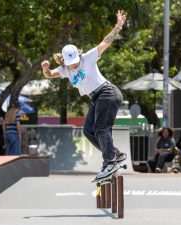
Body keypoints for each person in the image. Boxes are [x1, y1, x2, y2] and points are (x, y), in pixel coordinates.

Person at [41, 10, 128, 181]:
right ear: (64, 61)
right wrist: (45, 68)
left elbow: (106, 42)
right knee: (88, 131)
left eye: (75, 62)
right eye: (70, 64)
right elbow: (50, 74)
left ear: (79, 56)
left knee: (102, 128)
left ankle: (109, 162)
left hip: (107, 92)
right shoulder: (65, 70)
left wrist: (118, 26)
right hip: (96, 98)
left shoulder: (88, 58)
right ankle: (116, 155)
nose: (74, 66)